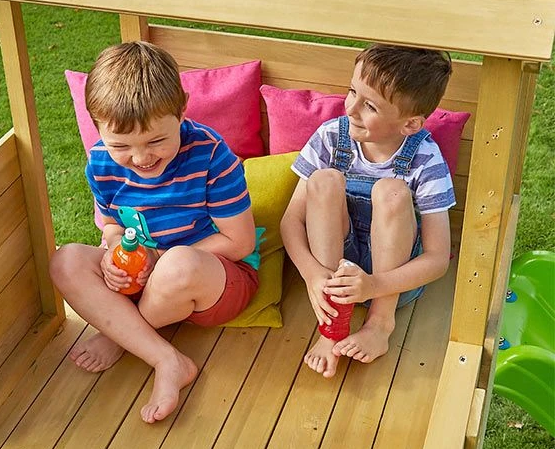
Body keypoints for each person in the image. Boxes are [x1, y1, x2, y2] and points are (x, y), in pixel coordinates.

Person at [49, 41, 259, 423]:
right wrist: (114, 249)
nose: (141, 158)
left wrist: (158, 258)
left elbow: (240, 242)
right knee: (66, 261)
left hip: (214, 278)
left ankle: (124, 337)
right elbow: (112, 223)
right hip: (144, 275)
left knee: (178, 264)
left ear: (182, 110)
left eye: (157, 141)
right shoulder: (100, 161)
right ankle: (164, 355)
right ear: (96, 126)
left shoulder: (212, 155)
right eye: (121, 145)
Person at [280, 44, 455, 378]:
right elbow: (292, 220)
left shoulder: (425, 158)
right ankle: (332, 328)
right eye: (352, 92)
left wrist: (374, 286)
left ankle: (379, 324)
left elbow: (437, 258)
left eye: (369, 105)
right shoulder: (331, 136)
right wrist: (312, 273)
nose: (351, 108)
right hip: (332, 274)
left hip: (391, 281)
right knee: (324, 180)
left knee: (391, 191)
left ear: (410, 124)